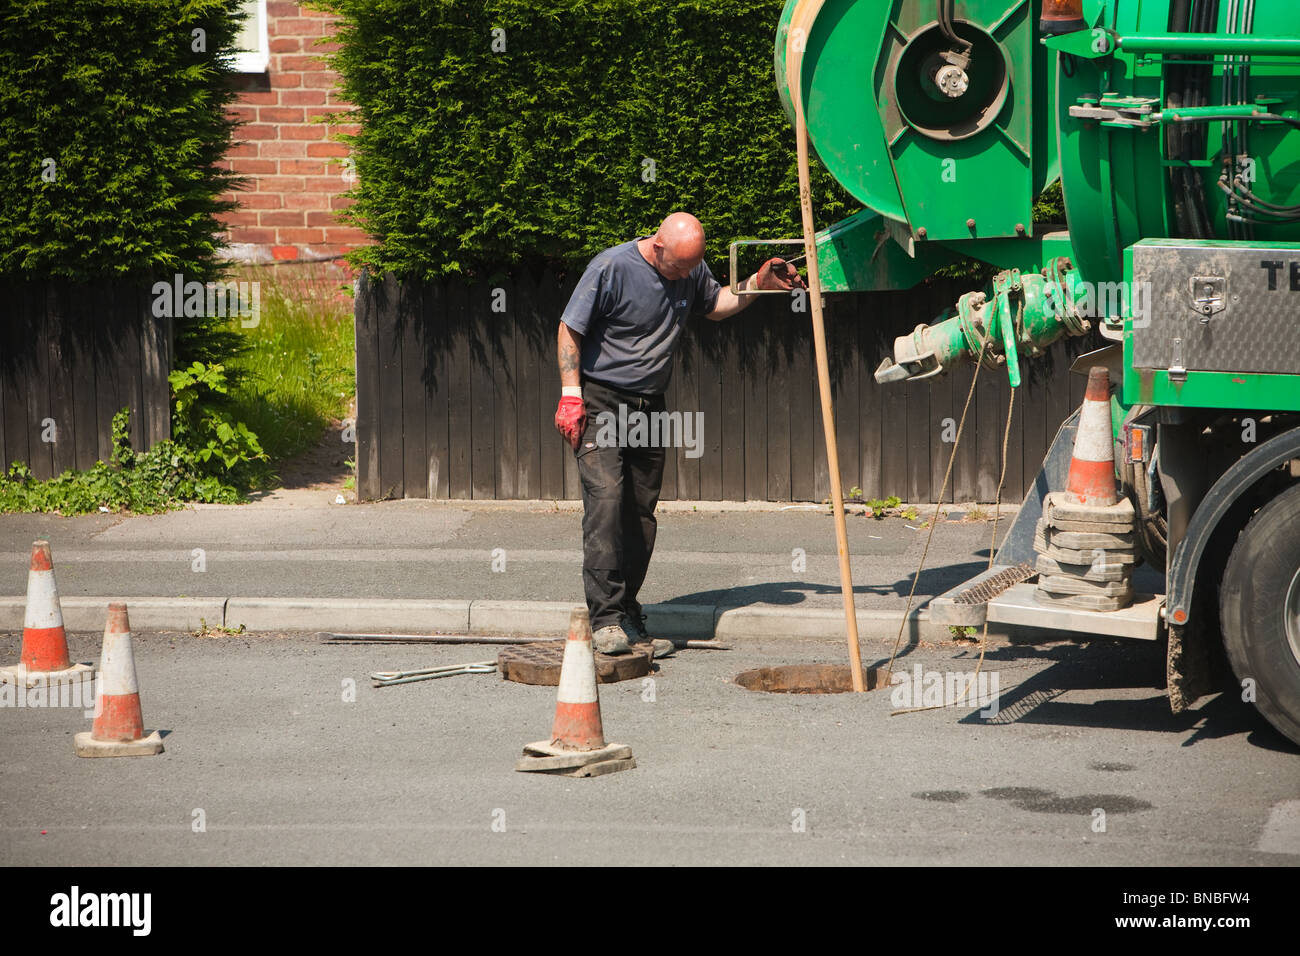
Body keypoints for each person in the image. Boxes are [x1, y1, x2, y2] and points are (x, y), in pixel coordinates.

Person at [553, 211, 805, 656]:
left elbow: (717, 306)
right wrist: (570, 394)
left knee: (641, 512)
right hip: (602, 400)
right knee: (606, 504)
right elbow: (569, 328)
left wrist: (757, 283)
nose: (686, 276)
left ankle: (628, 609)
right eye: (679, 267)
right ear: (658, 244)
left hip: (650, 404)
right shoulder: (611, 267)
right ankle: (606, 619)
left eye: (693, 268)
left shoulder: (689, 268)